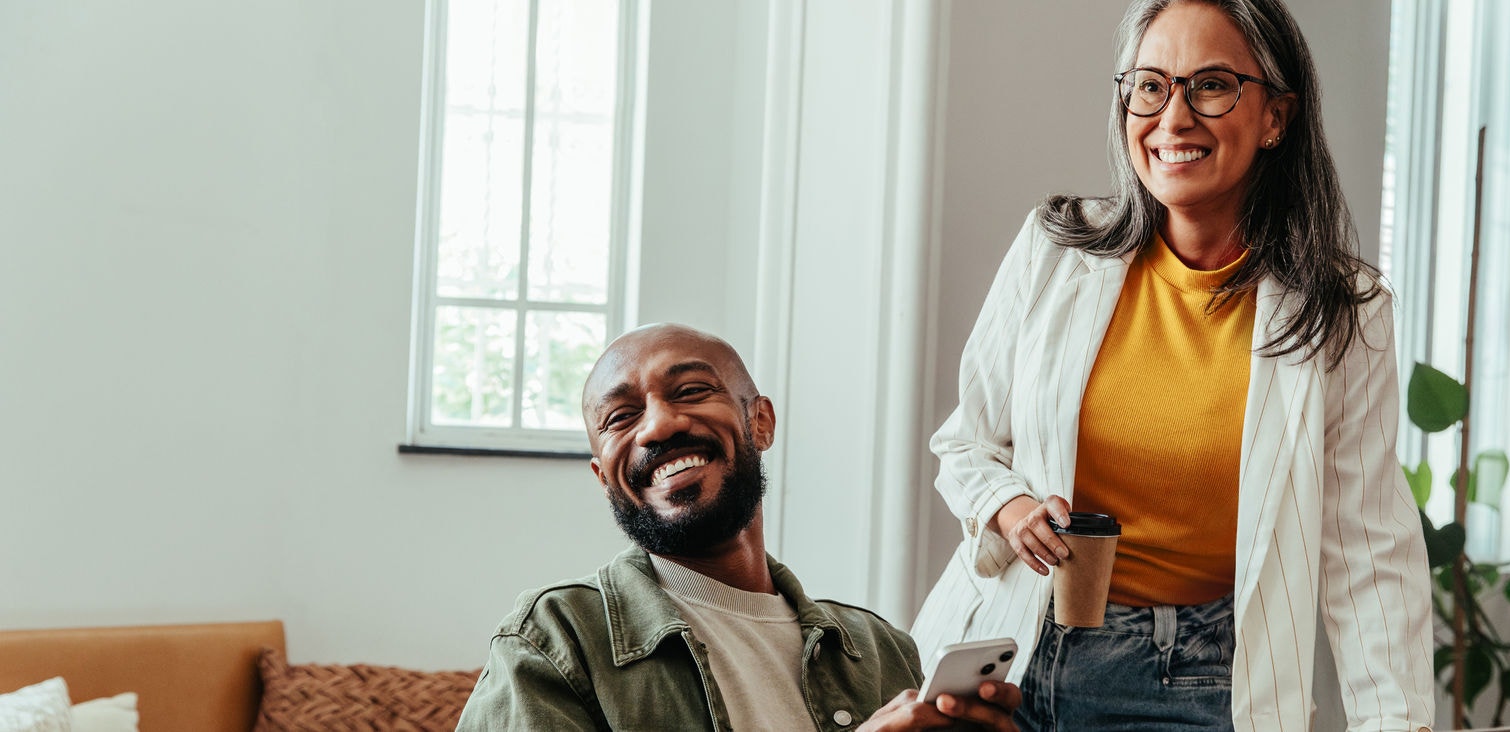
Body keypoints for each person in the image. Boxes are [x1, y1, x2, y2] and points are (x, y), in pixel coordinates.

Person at [909, 0, 1433, 730]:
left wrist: (1395, 723)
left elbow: (1370, 556)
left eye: (1211, 85)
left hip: (1204, 681)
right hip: (1016, 656)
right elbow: (966, 443)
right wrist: (1012, 506)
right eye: (1150, 86)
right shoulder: (1056, 250)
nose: (1174, 118)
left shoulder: (1344, 310)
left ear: (1276, 117)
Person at [458, 324, 1022, 731]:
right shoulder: (554, 641)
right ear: (603, 475)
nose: (659, 425)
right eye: (620, 417)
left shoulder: (880, 651)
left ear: (761, 421)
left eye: (691, 391)